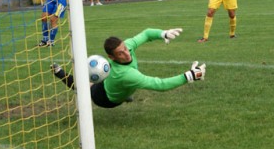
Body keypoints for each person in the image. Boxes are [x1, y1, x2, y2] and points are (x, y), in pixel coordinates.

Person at [51, 28, 206, 108]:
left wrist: (162, 33)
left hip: (112, 83)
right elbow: (160, 85)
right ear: (111, 58)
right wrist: (189, 76)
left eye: (125, 48)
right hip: (105, 98)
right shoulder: (126, 74)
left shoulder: (127, 46)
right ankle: (59, 73)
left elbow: (145, 34)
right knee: (84, 88)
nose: (127, 53)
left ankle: (123, 92)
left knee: (96, 81)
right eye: (121, 53)